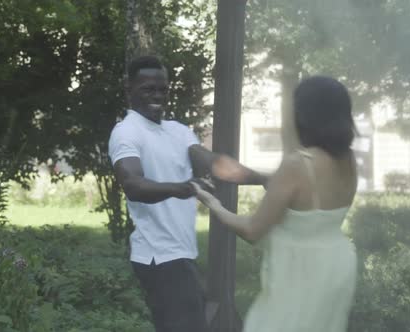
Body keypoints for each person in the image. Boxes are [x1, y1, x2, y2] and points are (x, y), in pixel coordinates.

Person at [108, 55, 267, 332]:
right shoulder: (126, 132)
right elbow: (133, 184)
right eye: (148, 89)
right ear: (128, 88)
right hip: (159, 257)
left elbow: (217, 165)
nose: (157, 95)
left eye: (162, 89)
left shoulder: (177, 131)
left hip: (179, 255)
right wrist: (183, 188)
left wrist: (264, 178)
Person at [193, 76, 359, 332]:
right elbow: (311, 205)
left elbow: (253, 230)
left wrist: (213, 205)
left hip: (301, 268)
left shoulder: (297, 164)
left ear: (304, 115)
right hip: (337, 262)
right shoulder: (348, 160)